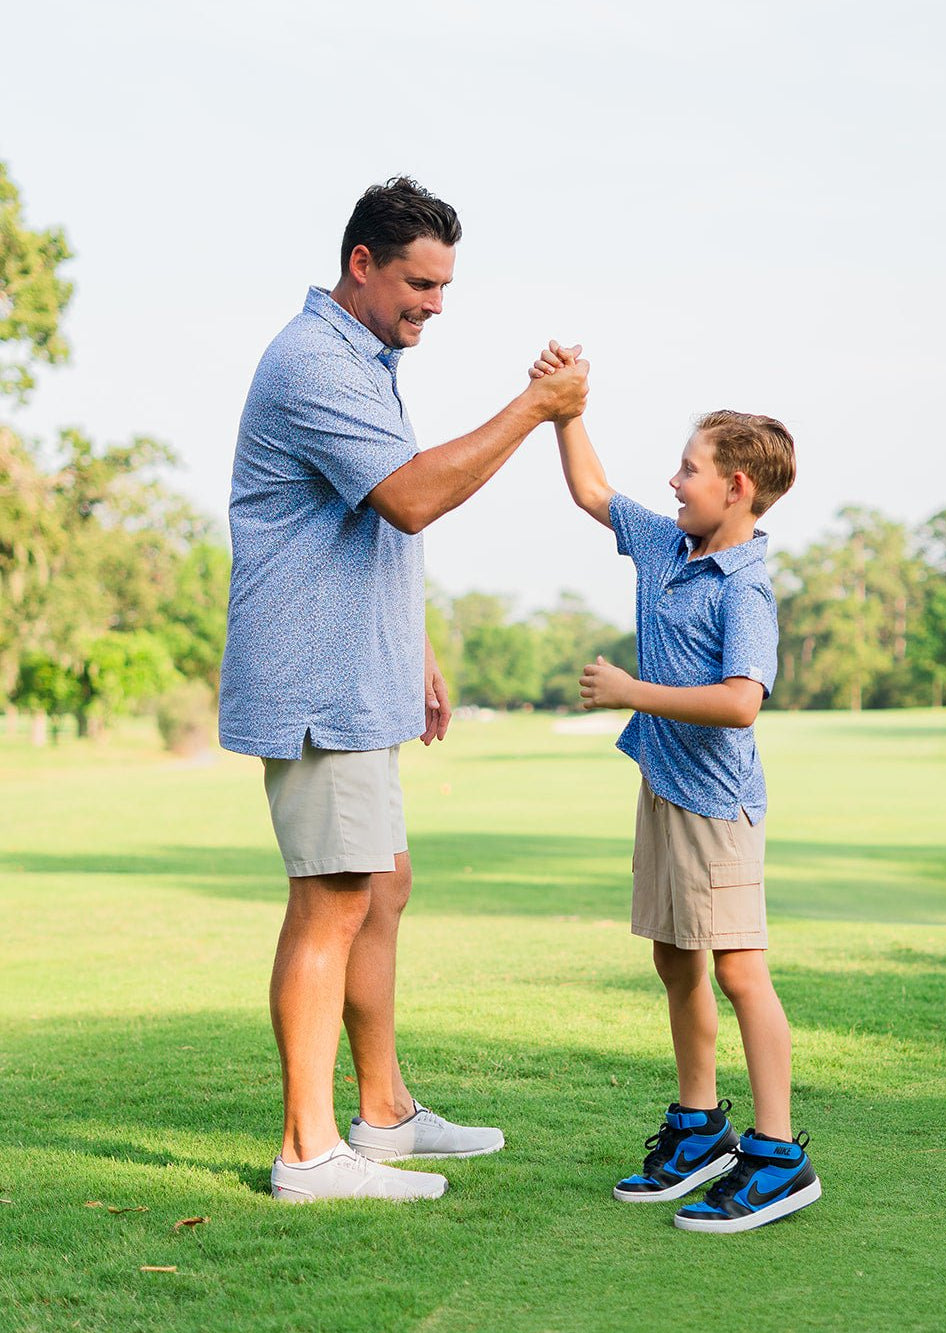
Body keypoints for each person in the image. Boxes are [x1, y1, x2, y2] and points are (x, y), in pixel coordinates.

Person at [219, 180, 588, 1203]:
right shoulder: (311, 362)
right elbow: (413, 495)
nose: (434, 303)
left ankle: (380, 1113)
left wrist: (411, 643)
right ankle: (307, 1152)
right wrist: (534, 408)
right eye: (420, 283)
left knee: (380, 887)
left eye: (444, 285)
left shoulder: (364, 361)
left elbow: (366, 523)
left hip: (360, 671)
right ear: (361, 265)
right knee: (330, 900)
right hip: (314, 684)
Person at [531, 341, 820, 1233]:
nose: (673, 479)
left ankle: (777, 1155)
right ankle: (700, 1127)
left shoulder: (747, 588)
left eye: (689, 468)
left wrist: (630, 692)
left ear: (736, 485)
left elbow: (741, 703)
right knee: (672, 956)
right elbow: (589, 491)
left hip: (716, 806)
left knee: (739, 970)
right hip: (663, 787)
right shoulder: (665, 543)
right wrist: (565, 405)